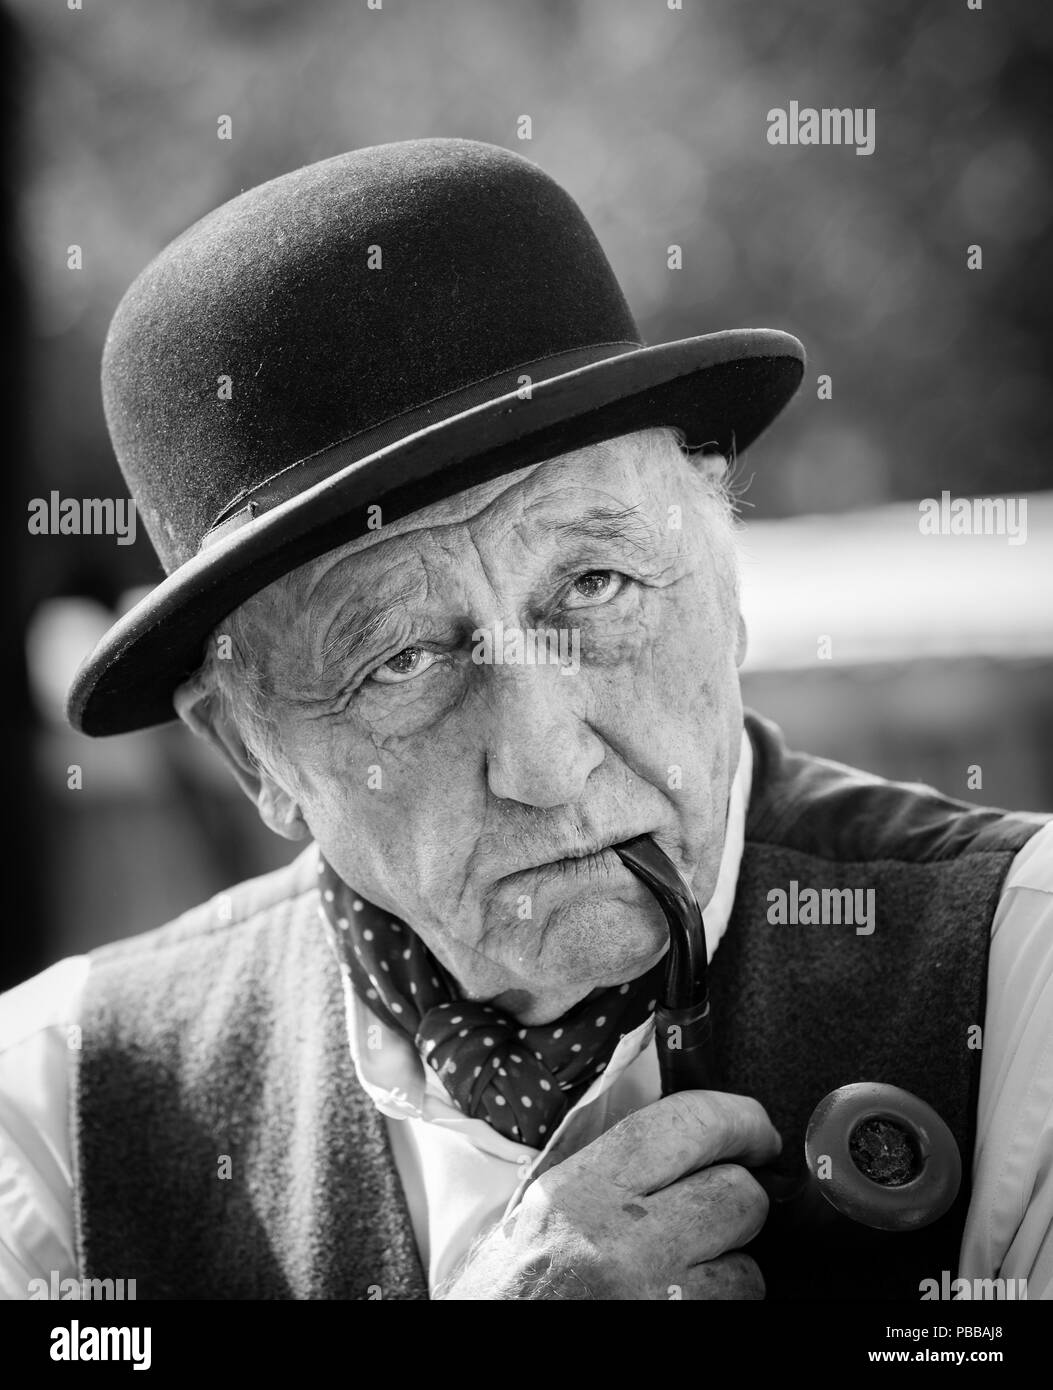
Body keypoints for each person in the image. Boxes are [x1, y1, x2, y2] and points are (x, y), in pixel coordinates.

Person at [1, 139, 1050, 1301]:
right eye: (400, 659)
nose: (547, 764)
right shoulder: (57, 1113)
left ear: (726, 585)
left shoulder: (1023, 976)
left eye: (595, 586)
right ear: (254, 754)